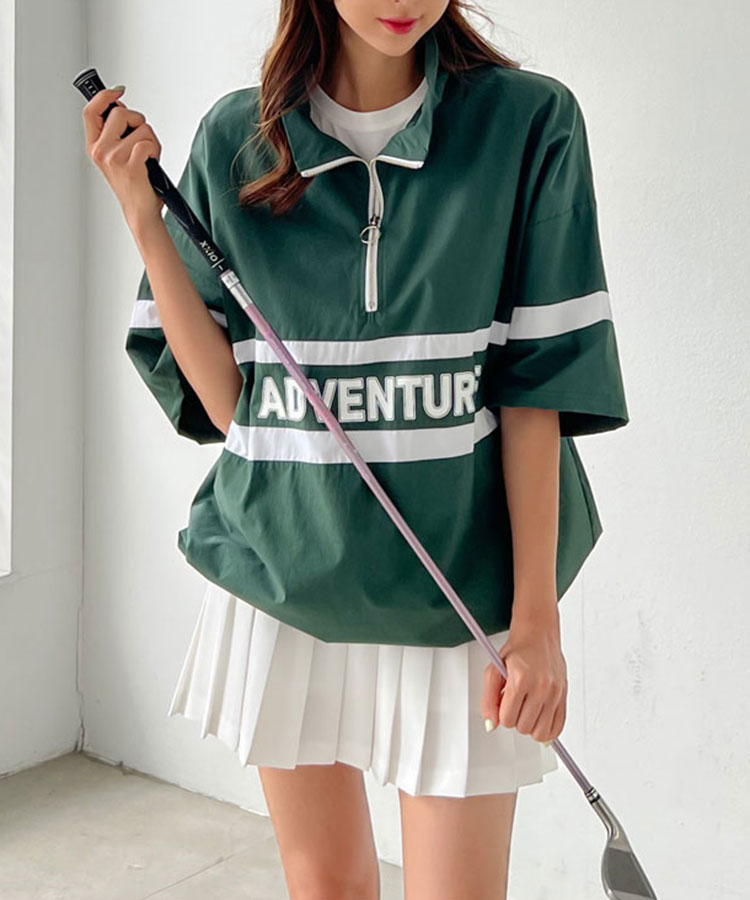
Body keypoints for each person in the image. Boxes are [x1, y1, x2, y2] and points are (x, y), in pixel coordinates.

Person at [82, 2, 629, 897]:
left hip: (462, 588)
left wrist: (537, 622)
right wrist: (145, 217)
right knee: (328, 887)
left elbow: (536, 388)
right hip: (288, 574)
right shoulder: (236, 139)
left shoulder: (528, 124)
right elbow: (236, 410)